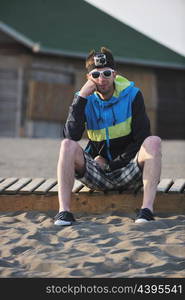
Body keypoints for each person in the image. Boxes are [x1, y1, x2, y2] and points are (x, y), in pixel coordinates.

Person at [54, 46, 162, 226]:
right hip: (98, 173)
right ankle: (64, 212)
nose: (101, 79)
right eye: (95, 75)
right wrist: (80, 97)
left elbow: (141, 139)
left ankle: (146, 211)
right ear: (89, 78)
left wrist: (110, 164)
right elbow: (71, 135)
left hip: (128, 170)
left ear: (114, 74)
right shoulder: (84, 99)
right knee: (66, 145)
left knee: (153, 142)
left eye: (106, 73)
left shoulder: (133, 95)